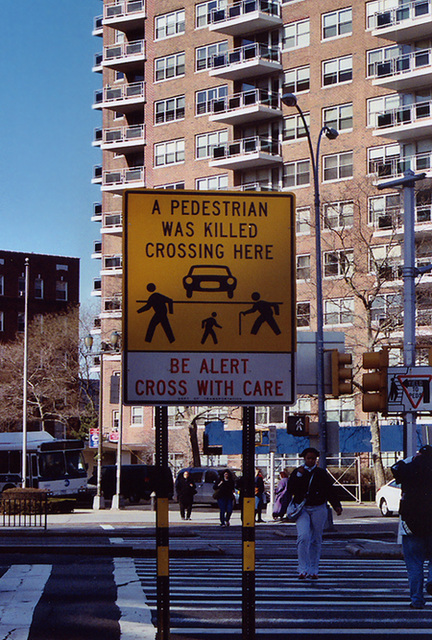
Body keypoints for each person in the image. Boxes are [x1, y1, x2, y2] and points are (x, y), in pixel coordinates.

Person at [286, 447, 342, 580]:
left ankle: (313, 569)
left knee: (316, 539)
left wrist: (336, 505)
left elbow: (329, 490)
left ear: (316, 459)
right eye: (308, 458)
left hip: (318, 508)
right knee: (303, 537)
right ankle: (302, 568)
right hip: (302, 508)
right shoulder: (297, 472)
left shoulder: (321, 473)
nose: (310, 461)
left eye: (313, 459)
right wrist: (299, 476)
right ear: (304, 459)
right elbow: (291, 489)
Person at [391, 445, 432, 609]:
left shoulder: (409, 468)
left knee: (414, 563)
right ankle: (431, 580)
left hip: (411, 521)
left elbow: (395, 468)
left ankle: (417, 600)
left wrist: (411, 459)